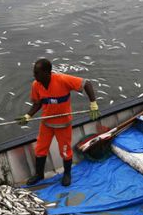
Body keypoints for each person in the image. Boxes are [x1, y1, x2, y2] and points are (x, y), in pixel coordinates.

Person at [17, 58, 99, 187]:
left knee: (65, 151)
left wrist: (93, 103)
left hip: (63, 124)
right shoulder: (36, 85)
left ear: (47, 73)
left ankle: (67, 174)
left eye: (37, 73)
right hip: (46, 123)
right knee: (40, 149)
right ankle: (39, 174)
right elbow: (37, 103)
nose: (34, 75)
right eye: (34, 72)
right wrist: (28, 115)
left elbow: (86, 83)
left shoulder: (62, 79)